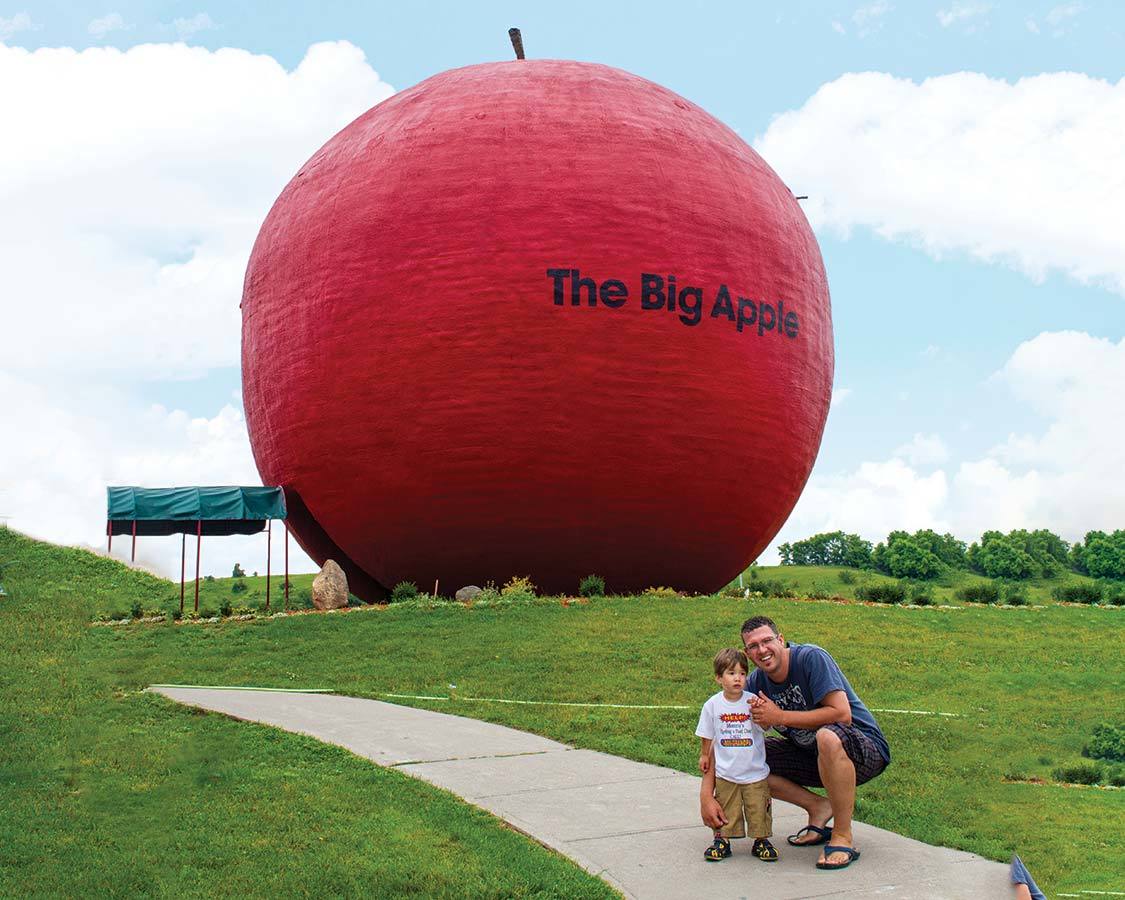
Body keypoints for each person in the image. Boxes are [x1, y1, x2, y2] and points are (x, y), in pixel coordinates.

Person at [699, 616, 890, 871]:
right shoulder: (753, 685)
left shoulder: (811, 658)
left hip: (862, 751)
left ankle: (842, 836)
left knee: (827, 736)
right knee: (747, 760)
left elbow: (841, 714)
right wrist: (705, 796)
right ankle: (818, 807)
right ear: (748, 652)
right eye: (753, 646)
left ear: (780, 639)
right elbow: (725, 741)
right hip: (810, 755)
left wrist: (779, 717)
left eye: (767, 640)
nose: (762, 650)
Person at [695, 648, 778, 863]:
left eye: (742, 673)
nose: (738, 678)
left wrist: (763, 714)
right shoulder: (713, 705)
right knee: (726, 808)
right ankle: (722, 840)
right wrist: (705, 754)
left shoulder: (752, 702)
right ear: (718, 678)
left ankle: (761, 840)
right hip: (726, 772)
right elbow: (706, 733)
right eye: (731, 673)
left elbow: (766, 726)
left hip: (754, 772)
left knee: (758, 808)